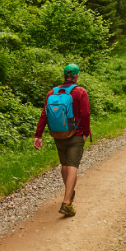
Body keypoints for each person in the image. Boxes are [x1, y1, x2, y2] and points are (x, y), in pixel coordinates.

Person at [34, 63, 91, 217]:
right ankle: (66, 203)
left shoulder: (52, 93)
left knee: (65, 164)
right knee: (73, 165)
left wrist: (38, 135)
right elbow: (85, 114)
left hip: (58, 134)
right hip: (76, 134)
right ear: (76, 76)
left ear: (64, 76)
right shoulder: (80, 92)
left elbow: (44, 114)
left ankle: (68, 193)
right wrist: (86, 133)